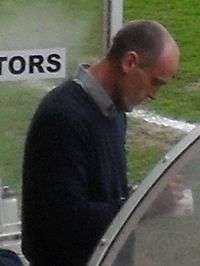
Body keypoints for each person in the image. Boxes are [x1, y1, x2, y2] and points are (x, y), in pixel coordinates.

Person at [21, 20, 180, 266]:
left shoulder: (114, 113)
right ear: (130, 62)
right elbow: (62, 225)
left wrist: (145, 194)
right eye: (155, 82)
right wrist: (143, 205)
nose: (153, 94)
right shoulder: (62, 117)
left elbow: (104, 196)